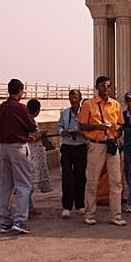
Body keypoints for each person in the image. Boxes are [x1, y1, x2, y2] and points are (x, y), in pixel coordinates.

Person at [78, 76, 126, 226]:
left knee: (116, 181)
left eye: (108, 86)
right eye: (103, 85)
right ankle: (90, 214)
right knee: (92, 180)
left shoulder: (116, 104)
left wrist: (117, 133)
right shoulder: (88, 104)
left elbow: (120, 124)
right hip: (96, 144)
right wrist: (97, 127)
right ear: (97, 87)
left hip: (111, 145)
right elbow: (82, 126)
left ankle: (116, 215)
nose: (106, 88)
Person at [0, 78, 37, 235]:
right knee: (23, 184)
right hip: (18, 147)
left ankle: (5, 221)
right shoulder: (20, 108)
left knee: (5, 185)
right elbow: (32, 126)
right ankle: (19, 219)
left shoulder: (0, 108)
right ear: (20, 90)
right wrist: (23, 134)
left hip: (3, 147)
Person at [58, 89, 87, 218]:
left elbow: (89, 130)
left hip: (81, 146)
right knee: (67, 177)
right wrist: (63, 131)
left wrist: (80, 132)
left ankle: (80, 204)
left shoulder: (85, 113)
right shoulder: (64, 113)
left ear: (80, 99)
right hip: (67, 146)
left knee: (80, 177)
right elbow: (59, 126)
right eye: (71, 98)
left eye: (75, 98)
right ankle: (67, 206)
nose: (73, 100)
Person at [26, 99, 54, 196]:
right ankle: (27, 207)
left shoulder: (29, 119)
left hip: (33, 153)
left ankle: (29, 207)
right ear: (37, 110)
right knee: (29, 182)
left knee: (30, 182)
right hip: (32, 154)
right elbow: (31, 137)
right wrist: (42, 134)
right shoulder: (29, 120)